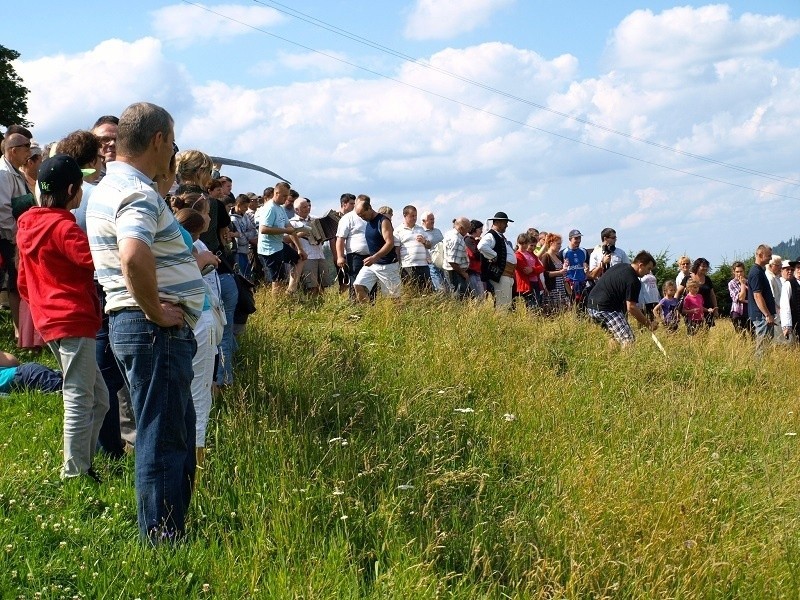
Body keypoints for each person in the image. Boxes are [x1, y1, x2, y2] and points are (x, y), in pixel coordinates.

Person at [86, 102, 205, 542]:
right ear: (158, 140)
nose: (172, 152)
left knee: (169, 427)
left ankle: (168, 530)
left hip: (133, 323)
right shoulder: (136, 191)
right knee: (163, 435)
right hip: (152, 328)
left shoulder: (108, 187)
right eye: (171, 143)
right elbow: (133, 253)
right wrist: (155, 308)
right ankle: (163, 540)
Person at [17, 154, 109, 481]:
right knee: (80, 397)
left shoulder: (28, 224)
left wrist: (43, 310)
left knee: (100, 399)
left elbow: (23, 282)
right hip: (73, 319)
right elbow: (95, 261)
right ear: (72, 190)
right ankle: (75, 472)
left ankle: (85, 460)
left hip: (51, 321)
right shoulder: (64, 227)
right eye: (81, 186)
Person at [586, 250, 658, 346]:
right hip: (605, 309)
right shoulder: (633, 281)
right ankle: (628, 360)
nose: (648, 273)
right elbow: (631, 308)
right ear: (640, 265)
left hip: (591, 306)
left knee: (614, 338)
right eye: (648, 269)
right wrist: (648, 324)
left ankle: (611, 359)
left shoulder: (620, 266)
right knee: (628, 340)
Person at [0, 132, 33, 340]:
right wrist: (16, 236)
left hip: (13, 237)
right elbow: (2, 210)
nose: (29, 152)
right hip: (7, 239)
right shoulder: (3, 173)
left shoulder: (14, 171)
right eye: (26, 147)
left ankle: (20, 332)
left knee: (16, 283)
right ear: (13, 150)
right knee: (14, 284)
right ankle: (20, 333)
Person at [352, 195, 402, 301]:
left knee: (393, 299)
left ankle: (399, 317)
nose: (362, 218)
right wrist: (374, 259)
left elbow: (390, 243)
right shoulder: (368, 222)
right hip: (373, 265)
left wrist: (375, 257)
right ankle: (368, 312)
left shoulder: (383, 221)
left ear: (369, 208)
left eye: (363, 215)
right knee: (358, 285)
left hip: (388, 265)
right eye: (360, 216)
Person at [478, 212, 517, 311]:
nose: (507, 225)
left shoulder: (499, 236)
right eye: (505, 223)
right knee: (502, 305)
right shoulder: (491, 235)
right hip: (500, 275)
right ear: (498, 222)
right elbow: (481, 246)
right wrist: (494, 255)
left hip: (506, 275)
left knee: (506, 304)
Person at [290, 198, 327, 296]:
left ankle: (322, 307)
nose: (308, 208)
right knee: (311, 286)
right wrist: (301, 234)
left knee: (323, 285)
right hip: (307, 257)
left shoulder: (315, 218)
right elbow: (286, 239)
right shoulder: (292, 222)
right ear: (296, 210)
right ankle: (313, 306)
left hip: (320, 254)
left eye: (308, 206)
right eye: (304, 207)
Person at [747, 244, 776, 358]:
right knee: (762, 347)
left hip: (763, 315)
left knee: (766, 345)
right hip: (761, 316)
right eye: (769, 256)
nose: (770, 258)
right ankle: (759, 371)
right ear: (760, 255)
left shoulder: (759, 271)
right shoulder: (756, 272)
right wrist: (767, 314)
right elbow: (757, 295)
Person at [396, 205, 432, 293]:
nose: (415, 218)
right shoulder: (398, 230)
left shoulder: (421, 229)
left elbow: (429, 245)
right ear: (405, 215)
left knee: (427, 291)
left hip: (423, 265)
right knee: (411, 292)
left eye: (416, 215)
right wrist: (398, 266)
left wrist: (424, 241)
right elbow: (396, 250)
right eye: (412, 216)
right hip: (408, 266)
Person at [442, 217, 471, 299]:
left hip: (453, 271)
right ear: (461, 228)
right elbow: (452, 261)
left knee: (459, 294)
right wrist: (463, 273)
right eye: (467, 228)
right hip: (455, 272)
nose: (468, 230)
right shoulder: (456, 239)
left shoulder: (449, 234)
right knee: (459, 296)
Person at [541, 233, 570, 313]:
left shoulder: (557, 256)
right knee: (553, 311)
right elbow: (544, 273)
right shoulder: (546, 256)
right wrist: (559, 272)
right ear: (551, 243)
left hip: (561, 287)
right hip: (553, 289)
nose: (560, 246)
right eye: (558, 244)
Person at [420, 211, 446, 293]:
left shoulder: (437, 231)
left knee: (446, 284)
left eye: (433, 219)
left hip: (442, 261)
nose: (433, 221)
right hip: (431, 262)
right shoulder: (421, 232)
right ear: (424, 221)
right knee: (439, 285)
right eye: (430, 219)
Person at [688, 257, 717, 328]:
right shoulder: (689, 277)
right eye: (703, 266)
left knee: (707, 330)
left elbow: (712, 294)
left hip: (708, 308)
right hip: (694, 309)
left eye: (706, 266)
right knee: (694, 330)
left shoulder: (707, 279)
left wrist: (716, 308)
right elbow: (680, 291)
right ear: (697, 266)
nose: (705, 268)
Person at [563, 229, 588, 304]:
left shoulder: (583, 251)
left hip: (582, 282)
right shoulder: (564, 252)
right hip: (570, 283)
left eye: (579, 238)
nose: (578, 240)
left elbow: (587, 263)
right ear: (570, 239)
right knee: (572, 305)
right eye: (576, 238)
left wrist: (586, 269)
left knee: (584, 304)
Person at [779, 259, 800, 343]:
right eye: (798, 267)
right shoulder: (788, 284)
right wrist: (786, 325)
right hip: (796, 321)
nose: (799, 270)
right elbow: (785, 305)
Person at [728, 261, 750, 335]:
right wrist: (743, 285)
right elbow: (740, 298)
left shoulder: (748, 282)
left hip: (749, 312)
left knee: (753, 335)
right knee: (741, 336)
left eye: (741, 271)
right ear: (733, 272)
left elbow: (754, 295)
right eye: (737, 271)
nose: (739, 274)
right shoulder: (732, 283)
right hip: (737, 313)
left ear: (744, 271)